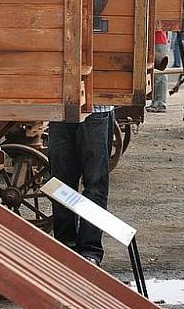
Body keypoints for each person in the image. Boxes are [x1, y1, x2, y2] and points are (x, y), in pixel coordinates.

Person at [48, 106, 115, 267]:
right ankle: (64, 247)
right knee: (61, 185)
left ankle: (89, 250)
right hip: (60, 110)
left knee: (95, 185)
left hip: (96, 111)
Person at [146, 30, 169, 113]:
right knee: (155, 74)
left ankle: (160, 103)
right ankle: (156, 102)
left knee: (160, 74)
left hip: (158, 39)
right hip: (156, 39)